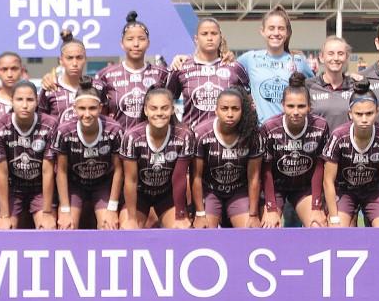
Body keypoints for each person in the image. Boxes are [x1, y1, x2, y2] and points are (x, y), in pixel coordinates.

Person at [321, 81, 379, 228]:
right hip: (344, 189)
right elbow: (328, 181)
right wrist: (334, 218)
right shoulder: (338, 136)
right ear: (350, 114)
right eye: (359, 114)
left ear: (377, 111)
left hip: (376, 190)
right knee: (337, 229)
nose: (364, 119)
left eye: (369, 113)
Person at [50, 77, 124, 230]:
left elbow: (119, 170)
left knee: (108, 226)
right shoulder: (64, 131)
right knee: (67, 226)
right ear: (74, 108)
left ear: (101, 107)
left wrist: (112, 208)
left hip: (103, 184)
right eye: (82, 109)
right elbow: (61, 171)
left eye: (92, 108)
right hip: (74, 185)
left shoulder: (114, 129)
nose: (87, 114)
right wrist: (64, 210)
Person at [260, 73, 330, 228]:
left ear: (309, 106)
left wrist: (316, 206)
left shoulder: (320, 126)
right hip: (276, 188)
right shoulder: (269, 128)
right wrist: (271, 208)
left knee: (317, 226)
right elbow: (265, 170)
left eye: (301, 106)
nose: (296, 112)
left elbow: (319, 167)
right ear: (282, 105)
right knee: (269, 227)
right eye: (290, 106)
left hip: (304, 188)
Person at [120, 88, 193, 229]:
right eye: (154, 108)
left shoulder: (184, 135)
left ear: (172, 110)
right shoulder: (132, 137)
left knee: (181, 230)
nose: (159, 113)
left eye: (164, 108)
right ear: (146, 111)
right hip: (140, 194)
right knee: (128, 230)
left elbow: (179, 178)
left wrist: (180, 215)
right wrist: (131, 218)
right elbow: (131, 180)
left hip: (167, 194)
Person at [0, 80, 59, 229]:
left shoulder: (50, 125)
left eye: (30, 100)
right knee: (5, 230)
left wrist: (47, 212)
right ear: (11, 101)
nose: (25, 105)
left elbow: (48, 171)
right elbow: (1, 173)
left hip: (40, 188)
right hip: (12, 188)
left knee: (48, 228)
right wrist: (4, 215)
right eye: (19, 99)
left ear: (37, 101)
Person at [191, 87, 263, 229]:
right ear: (216, 110)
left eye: (235, 109)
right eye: (224, 109)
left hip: (239, 191)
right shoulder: (201, 134)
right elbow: (196, 177)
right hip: (210, 190)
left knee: (250, 232)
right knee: (203, 233)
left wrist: (253, 215)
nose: (230, 114)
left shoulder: (252, 135)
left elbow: (254, 178)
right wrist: (200, 214)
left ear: (242, 110)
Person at [93, 12, 173, 131]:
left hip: (151, 145)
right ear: (122, 44)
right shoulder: (105, 75)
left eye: (141, 39)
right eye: (130, 39)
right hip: (117, 146)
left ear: (148, 43)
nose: (136, 44)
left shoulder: (162, 74)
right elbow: (98, 113)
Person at [234, 6, 315, 122]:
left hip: (290, 132)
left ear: (287, 32)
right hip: (260, 131)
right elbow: (229, 78)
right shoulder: (249, 59)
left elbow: (315, 89)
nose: (276, 33)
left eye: (281, 28)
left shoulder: (298, 61)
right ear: (262, 31)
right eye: (271, 28)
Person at [168, 18, 249, 132]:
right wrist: (179, 130)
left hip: (226, 141)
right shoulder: (181, 68)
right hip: (193, 141)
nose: (210, 38)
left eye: (214, 34)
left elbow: (249, 104)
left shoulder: (234, 67)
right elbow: (165, 103)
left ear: (220, 37)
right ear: (196, 39)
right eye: (204, 34)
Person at [39, 31, 91, 127]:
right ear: (61, 60)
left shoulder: (96, 87)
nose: (75, 63)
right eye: (69, 58)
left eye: (79, 58)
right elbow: (40, 122)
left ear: (85, 59)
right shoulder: (50, 88)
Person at [307, 36, 356, 130]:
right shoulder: (308, 86)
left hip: (346, 144)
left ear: (346, 57)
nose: (336, 58)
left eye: (340, 54)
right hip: (318, 144)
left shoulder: (355, 86)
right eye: (331, 54)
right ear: (321, 57)